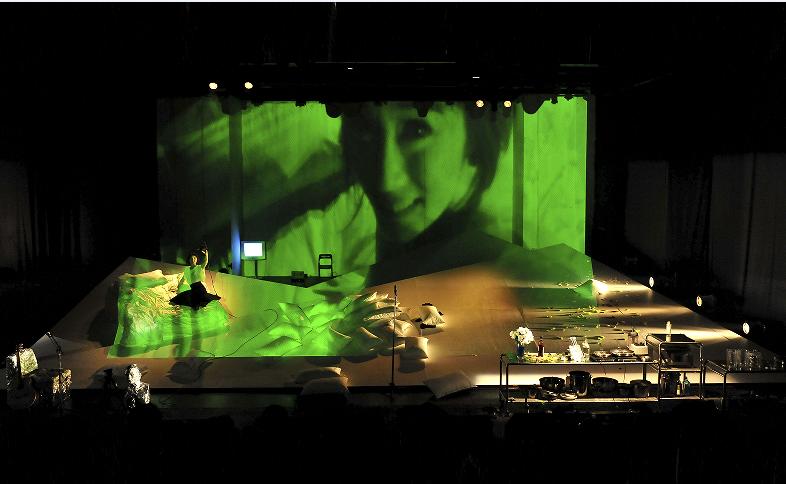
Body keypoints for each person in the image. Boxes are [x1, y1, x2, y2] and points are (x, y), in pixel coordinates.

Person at [339, 101, 512, 262]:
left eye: (417, 131)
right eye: (363, 127)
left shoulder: (495, 264)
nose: (386, 183)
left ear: (474, 140)